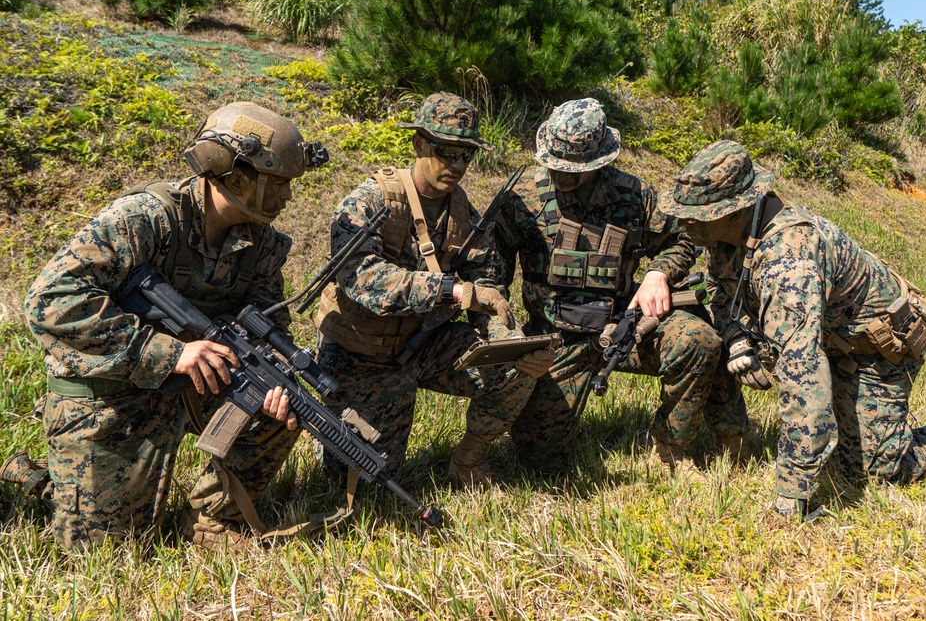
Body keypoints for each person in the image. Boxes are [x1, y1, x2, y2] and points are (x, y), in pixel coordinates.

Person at [1, 102, 323, 548]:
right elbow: (50, 303)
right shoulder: (144, 218)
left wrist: (275, 382)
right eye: (280, 184)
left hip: (199, 382)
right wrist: (172, 353)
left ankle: (212, 520)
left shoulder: (260, 243)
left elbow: (270, 323)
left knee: (275, 410)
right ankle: (35, 478)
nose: (287, 198)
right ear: (233, 174)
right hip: (112, 390)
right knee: (111, 550)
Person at [659, 139, 926, 517]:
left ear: (734, 210)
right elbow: (720, 289)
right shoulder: (724, 235)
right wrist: (735, 340)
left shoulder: (789, 258)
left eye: (695, 214)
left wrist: (792, 497)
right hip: (829, 342)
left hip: (874, 355)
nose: (683, 222)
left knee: (875, 471)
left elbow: (803, 378)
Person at [492, 98, 741, 481]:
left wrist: (658, 272)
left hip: (625, 330)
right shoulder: (521, 199)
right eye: (555, 167)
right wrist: (501, 323)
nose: (561, 176)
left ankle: (671, 448)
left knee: (698, 340)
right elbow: (491, 268)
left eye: (573, 171)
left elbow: (683, 240)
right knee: (538, 464)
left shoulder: (635, 195)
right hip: (555, 341)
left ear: (600, 162)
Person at [313, 92, 551, 488]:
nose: (457, 165)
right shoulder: (371, 201)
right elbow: (360, 278)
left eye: (467, 155)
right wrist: (453, 291)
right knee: (364, 483)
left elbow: (486, 283)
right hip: (361, 354)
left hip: (423, 345)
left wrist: (506, 340)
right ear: (418, 143)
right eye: (445, 152)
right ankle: (339, 431)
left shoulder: (465, 215)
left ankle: (468, 462)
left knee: (515, 366)